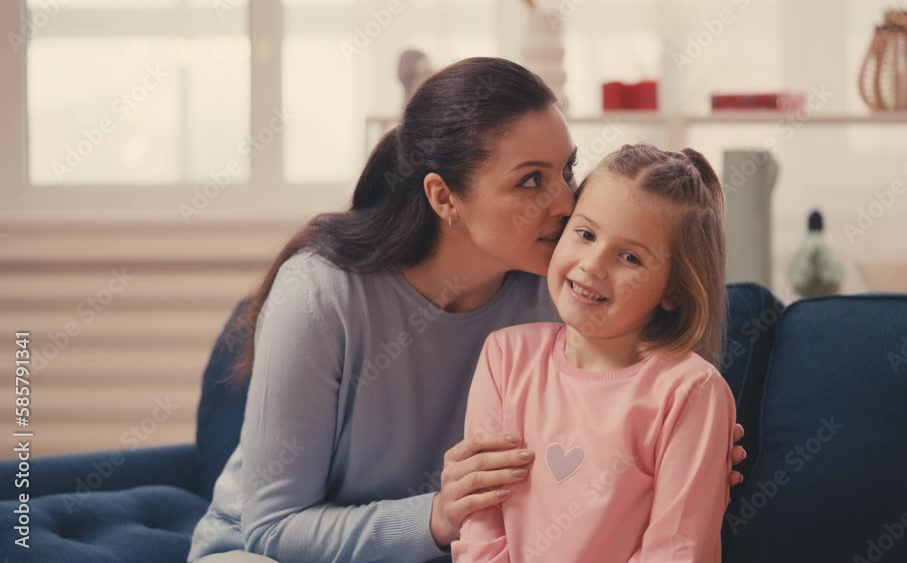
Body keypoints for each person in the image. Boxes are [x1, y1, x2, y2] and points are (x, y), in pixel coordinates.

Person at [187, 57, 746, 563]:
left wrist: (684, 451)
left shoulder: (560, 292)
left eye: (567, 172)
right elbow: (273, 526)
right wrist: (437, 515)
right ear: (444, 198)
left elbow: (628, 404)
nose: (565, 201)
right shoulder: (319, 295)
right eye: (532, 181)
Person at [452, 144, 734, 563]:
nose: (593, 265)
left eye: (630, 257)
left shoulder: (690, 391)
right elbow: (481, 525)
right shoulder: (505, 359)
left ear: (674, 290)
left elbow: (676, 551)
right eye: (585, 234)